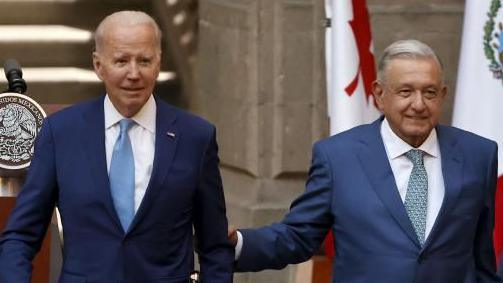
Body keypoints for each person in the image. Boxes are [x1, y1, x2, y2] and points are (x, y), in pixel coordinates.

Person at [230, 39, 501, 282]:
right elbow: (298, 236)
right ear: (379, 94)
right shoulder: (338, 157)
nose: (418, 104)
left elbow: (482, 256)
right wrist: (236, 243)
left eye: (429, 93)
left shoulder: (478, 155)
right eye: (405, 92)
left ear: (442, 95)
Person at [0, 11, 233, 283]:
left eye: (144, 60)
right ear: (99, 66)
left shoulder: (196, 137)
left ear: (158, 63)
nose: (133, 73)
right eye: (121, 60)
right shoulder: (61, 133)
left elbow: (215, 246)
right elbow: (20, 236)